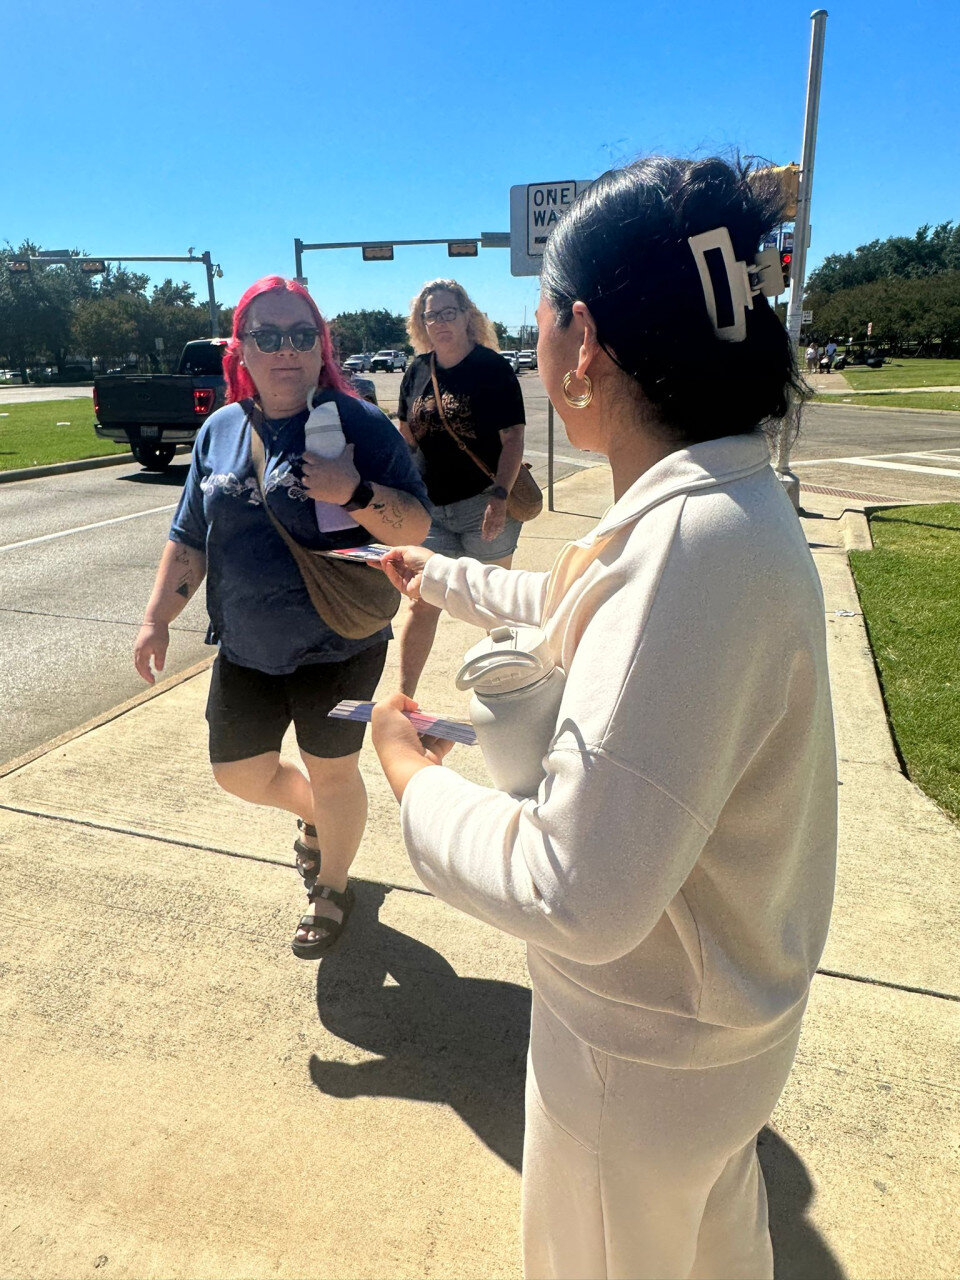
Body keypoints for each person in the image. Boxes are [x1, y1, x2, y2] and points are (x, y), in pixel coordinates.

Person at [370, 157, 837, 1280]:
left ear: (583, 341)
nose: (534, 356)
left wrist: (411, 778)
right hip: (712, 1044)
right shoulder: (713, 506)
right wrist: (435, 574)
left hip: (638, 1057)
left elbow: (570, 888)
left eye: (539, 324)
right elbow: (583, 599)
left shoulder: (689, 541)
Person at [134, 276, 430, 958]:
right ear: (243, 348)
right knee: (237, 771)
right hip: (246, 646)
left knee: (333, 772)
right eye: (267, 336)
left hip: (341, 641)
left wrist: (352, 491)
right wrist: (156, 617)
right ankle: (318, 819)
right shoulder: (221, 430)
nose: (286, 349)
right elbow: (187, 537)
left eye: (302, 334)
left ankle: (333, 887)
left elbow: (413, 523)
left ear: (319, 345)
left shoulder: (355, 420)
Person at [395, 278, 526, 695]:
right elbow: (406, 439)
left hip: (483, 504)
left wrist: (500, 498)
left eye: (449, 312)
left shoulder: (492, 369)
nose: (440, 322)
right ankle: (405, 697)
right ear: (421, 323)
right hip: (430, 509)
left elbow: (513, 440)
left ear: (467, 316)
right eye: (431, 315)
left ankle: (508, 692)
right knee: (423, 601)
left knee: (492, 604)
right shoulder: (417, 371)